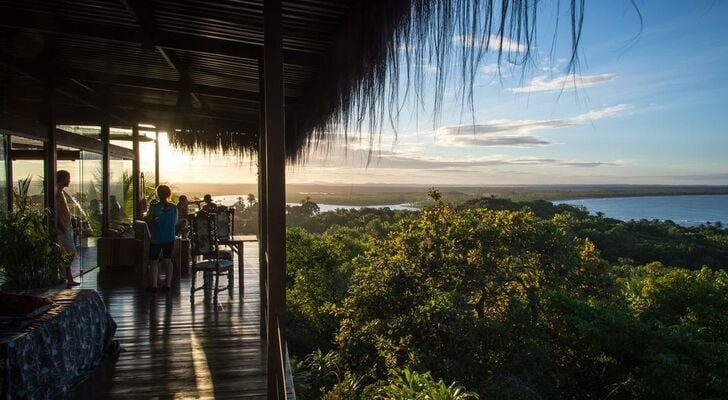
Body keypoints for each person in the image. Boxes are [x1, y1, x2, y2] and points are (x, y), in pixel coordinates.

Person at [146, 185, 177, 291]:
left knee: (153, 261)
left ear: (158, 194)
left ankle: (154, 285)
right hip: (169, 237)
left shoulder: (154, 207)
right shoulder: (173, 207)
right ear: (169, 194)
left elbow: (149, 219)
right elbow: (175, 221)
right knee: (168, 260)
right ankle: (168, 284)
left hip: (156, 238)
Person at [55, 170, 80, 287]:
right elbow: (56, 212)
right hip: (63, 228)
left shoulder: (60, 192)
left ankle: (66, 277)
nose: (69, 181)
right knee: (69, 253)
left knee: (67, 253)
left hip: (66, 227)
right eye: (68, 178)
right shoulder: (57, 193)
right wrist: (62, 227)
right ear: (63, 178)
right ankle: (67, 278)